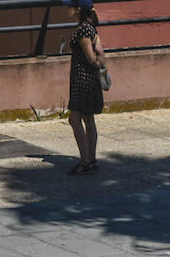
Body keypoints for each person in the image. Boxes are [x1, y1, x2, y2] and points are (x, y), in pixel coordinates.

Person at [65, 0, 106, 175]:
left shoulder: (83, 30)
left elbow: (90, 57)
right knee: (89, 119)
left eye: (70, 6)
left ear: (78, 9)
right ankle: (91, 159)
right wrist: (101, 70)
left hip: (83, 80)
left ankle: (85, 161)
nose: (67, 9)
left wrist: (95, 64)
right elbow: (101, 53)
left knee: (74, 119)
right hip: (90, 80)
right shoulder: (92, 28)